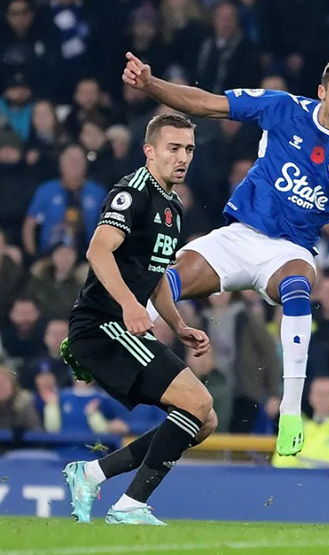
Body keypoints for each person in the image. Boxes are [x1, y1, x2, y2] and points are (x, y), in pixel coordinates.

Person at [122, 52, 329, 457]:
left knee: (298, 287)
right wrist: (151, 85)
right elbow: (207, 104)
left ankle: (292, 412)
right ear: (322, 92)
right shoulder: (282, 108)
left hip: (290, 251)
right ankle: (115, 352)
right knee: (168, 276)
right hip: (238, 237)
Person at [60, 114, 214, 526]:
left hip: (120, 324)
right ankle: (129, 505)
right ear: (150, 150)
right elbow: (98, 250)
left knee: (204, 420)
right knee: (198, 403)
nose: (183, 157)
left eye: (189, 150)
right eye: (174, 148)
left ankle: (91, 474)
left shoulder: (173, 205)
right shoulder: (133, 191)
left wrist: (178, 324)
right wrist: (131, 305)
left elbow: (157, 272)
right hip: (101, 325)